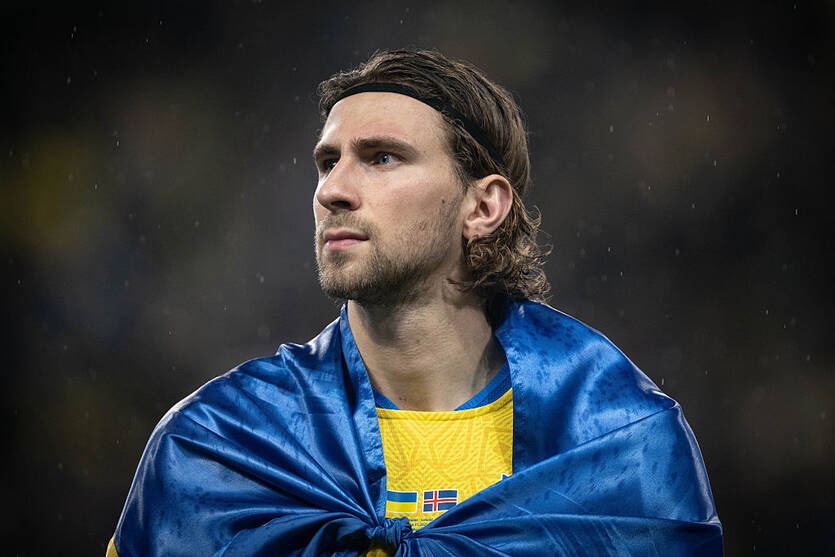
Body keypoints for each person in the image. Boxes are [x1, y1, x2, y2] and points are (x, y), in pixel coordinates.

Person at [107, 48, 723, 556]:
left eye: (382, 158)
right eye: (328, 163)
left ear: (483, 206)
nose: (333, 191)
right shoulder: (221, 445)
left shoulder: (617, 444)